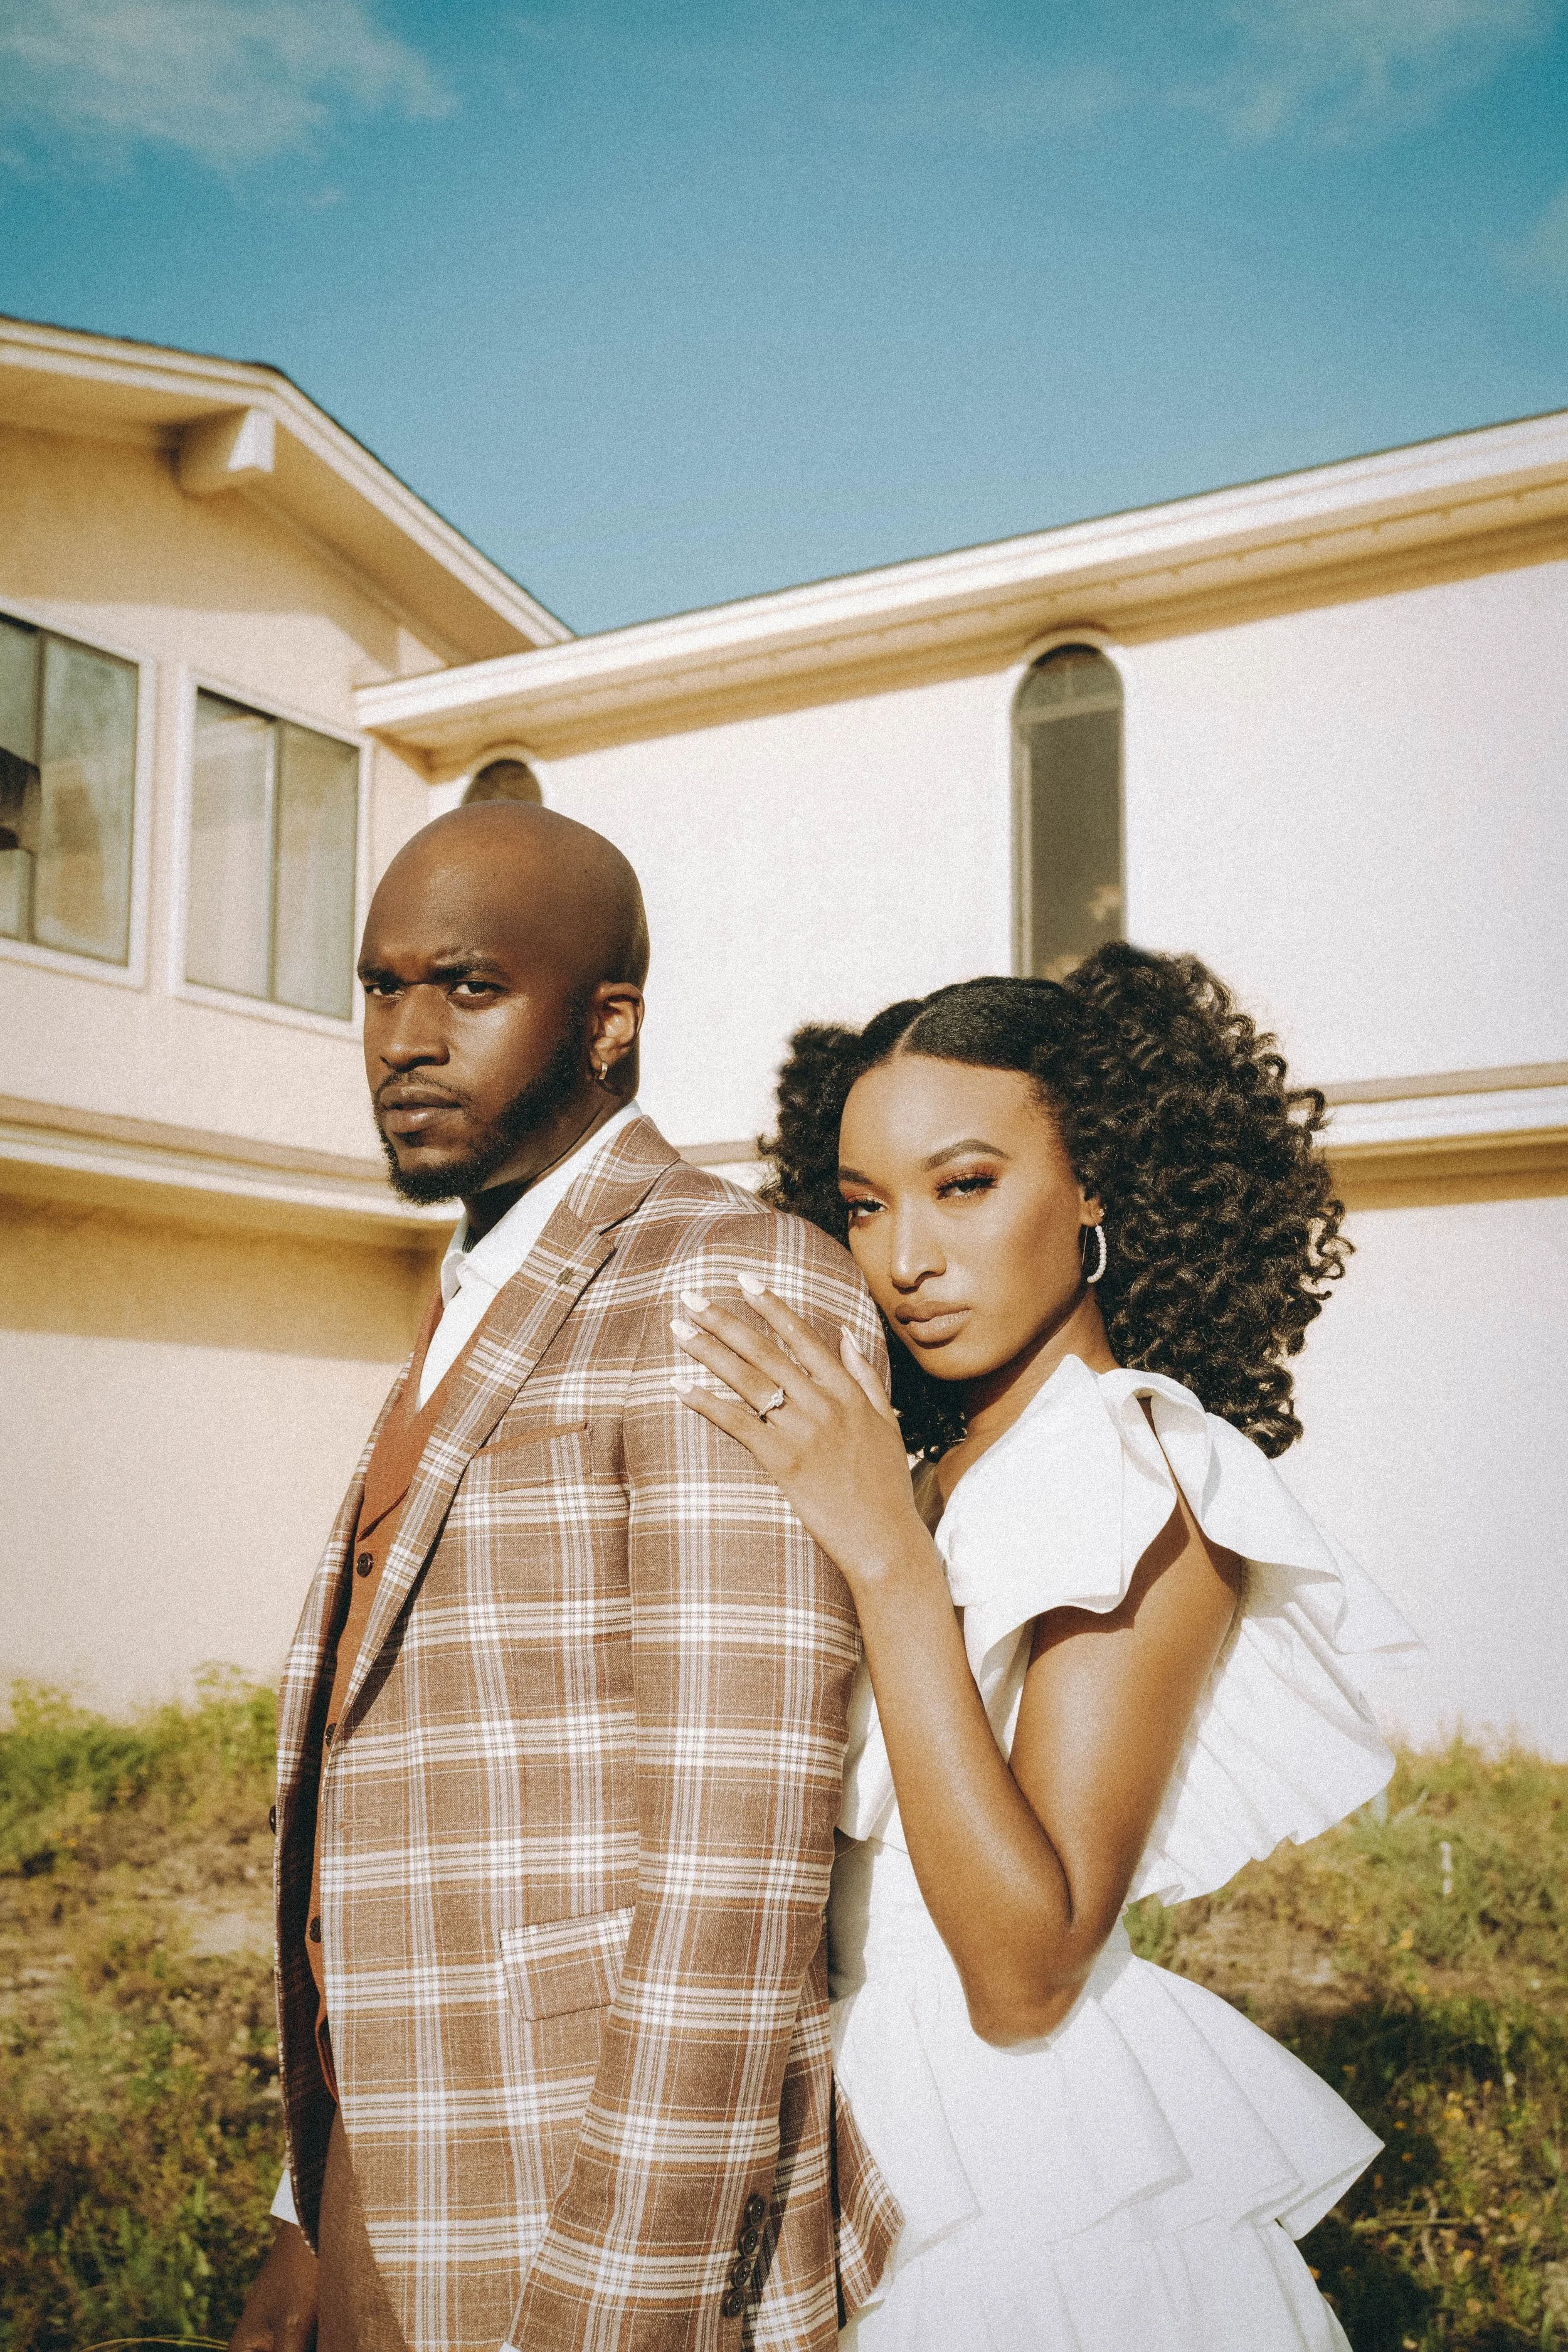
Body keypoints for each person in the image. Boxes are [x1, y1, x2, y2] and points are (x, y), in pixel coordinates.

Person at [670, 948, 1419, 2351]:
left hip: (1028, 2172)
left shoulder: (1136, 1467)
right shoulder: (937, 1470)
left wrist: (885, 1559)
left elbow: (1026, 1972)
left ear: (1095, 1186)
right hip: (851, 2123)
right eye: (862, 1206)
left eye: (965, 1186)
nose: (903, 1260)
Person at [229, 802, 898, 2352]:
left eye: (466, 988)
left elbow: (737, 1864)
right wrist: (303, 2201)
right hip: (392, 2172)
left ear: (610, 1023)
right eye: (380, 987)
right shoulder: (487, 1279)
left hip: (579, 2218)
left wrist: (628, 2311)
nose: (403, 1037)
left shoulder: (718, 1275)